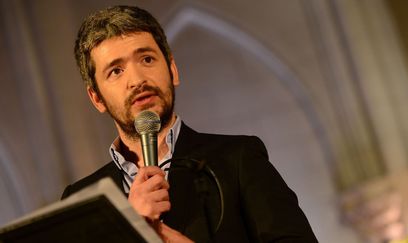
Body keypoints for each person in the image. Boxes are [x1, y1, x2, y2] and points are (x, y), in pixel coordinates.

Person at [61, 5, 318, 242]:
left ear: (172, 70)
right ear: (96, 98)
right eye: (116, 71)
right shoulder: (79, 200)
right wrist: (129, 225)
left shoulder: (238, 159)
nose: (137, 79)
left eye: (147, 59)